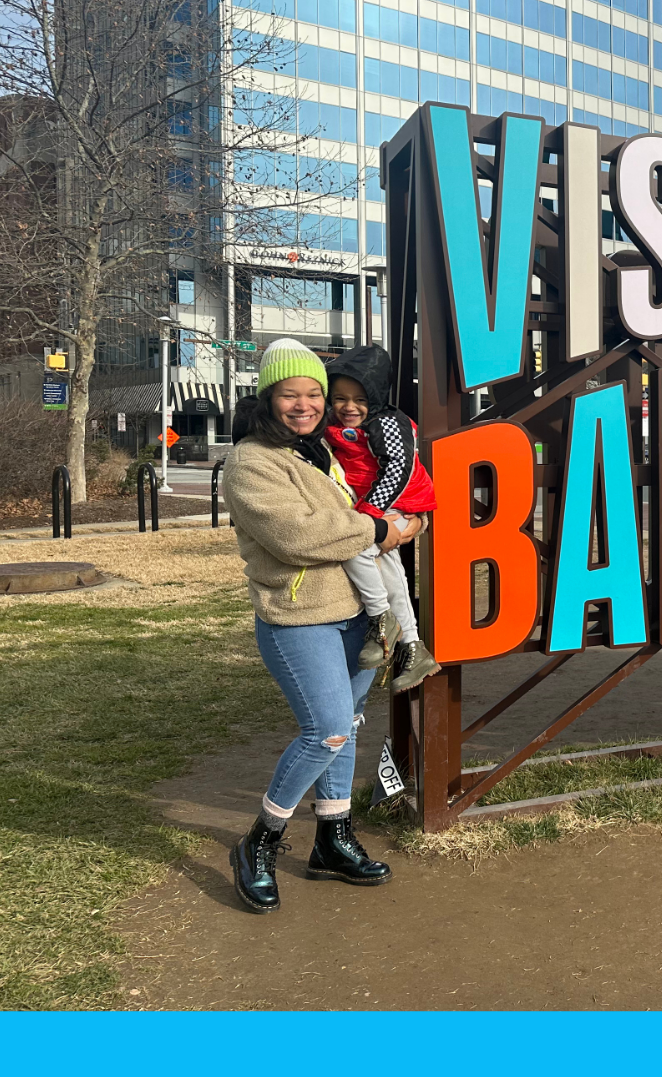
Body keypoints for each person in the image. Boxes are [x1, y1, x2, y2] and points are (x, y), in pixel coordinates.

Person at [220, 338, 424, 914]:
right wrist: (384, 532)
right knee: (327, 729)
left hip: (354, 617)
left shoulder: (319, 452)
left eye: (315, 393)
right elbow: (299, 538)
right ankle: (259, 842)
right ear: (268, 397)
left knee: (350, 725)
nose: (306, 404)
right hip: (298, 618)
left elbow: (367, 504)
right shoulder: (252, 461)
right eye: (292, 394)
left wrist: (406, 522)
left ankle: (331, 841)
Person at [323, 344, 441, 692]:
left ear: (374, 397)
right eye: (340, 398)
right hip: (381, 507)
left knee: (357, 548)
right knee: (391, 575)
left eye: (359, 398)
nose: (348, 407)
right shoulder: (332, 424)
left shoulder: (389, 421)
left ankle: (381, 619)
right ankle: (415, 648)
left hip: (401, 503)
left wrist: (367, 516)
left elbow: (398, 470)